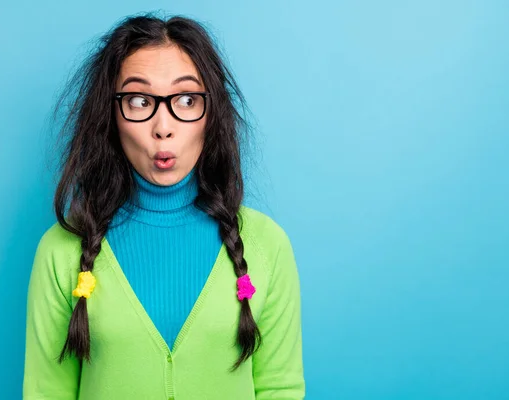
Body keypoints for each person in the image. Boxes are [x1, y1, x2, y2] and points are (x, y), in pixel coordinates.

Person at [23, 12, 305, 400]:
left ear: (211, 114)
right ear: (111, 114)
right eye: (139, 101)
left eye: (186, 100)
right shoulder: (60, 250)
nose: (163, 126)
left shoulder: (266, 245)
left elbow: (280, 389)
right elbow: (46, 393)